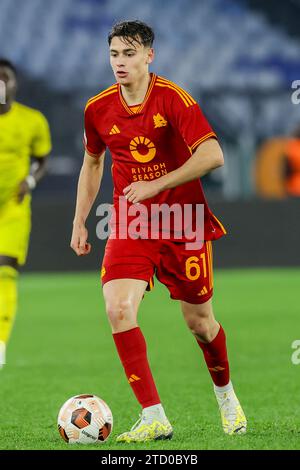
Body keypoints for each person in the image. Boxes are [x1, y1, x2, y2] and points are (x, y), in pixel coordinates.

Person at [71, 20, 247, 442]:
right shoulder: (97, 109)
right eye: (114, 54)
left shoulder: (173, 99)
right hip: (131, 223)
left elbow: (213, 154)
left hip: (183, 220)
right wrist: (80, 219)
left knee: (200, 322)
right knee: (117, 309)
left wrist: (156, 184)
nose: (120, 62)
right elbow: (92, 164)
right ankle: (153, 416)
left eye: (129, 54)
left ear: (149, 56)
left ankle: (227, 398)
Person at [0, 59, 51, 367]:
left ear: (15, 83)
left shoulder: (32, 121)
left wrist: (30, 180)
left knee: (4, 269)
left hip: (12, 208)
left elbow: (41, 159)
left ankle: (0, 341)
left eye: (4, 78)